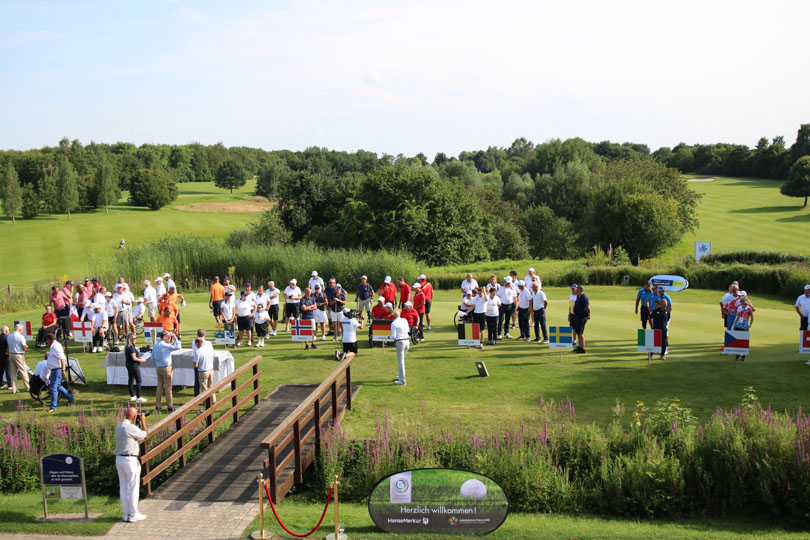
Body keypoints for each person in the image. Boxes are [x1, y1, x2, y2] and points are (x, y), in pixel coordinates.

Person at [115, 407, 147, 523]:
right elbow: (144, 435)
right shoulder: (130, 427)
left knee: (123, 487)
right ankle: (133, 514)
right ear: (134, 417)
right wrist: (143, 422)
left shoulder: (119, 426)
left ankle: (126, 513)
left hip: (119, 459)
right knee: (133, 487)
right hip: (129, 460)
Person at [45, 332, 75, 412]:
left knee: (53, 388)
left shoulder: (56, 347)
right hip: (54, 370)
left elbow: (62, 358)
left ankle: (53, 407)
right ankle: (71, 399)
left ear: (49, 340)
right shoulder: (54, 346)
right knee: (58, 387)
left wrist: (63, 369)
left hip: (57, 370)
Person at [153, 330, 181, 413]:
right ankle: (170, 405)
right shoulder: (164, 345)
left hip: (158, 367)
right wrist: (175, 338)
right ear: (164, 337)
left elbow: (152, 357)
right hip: (166, 368)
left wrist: (156, 364)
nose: (169, 339)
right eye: (168, 337)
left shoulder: (156, 345)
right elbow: (178, 347)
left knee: (160, 386)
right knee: (168, 387)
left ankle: (158, 405)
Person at [6, 324, 29, 394]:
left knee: (13, 372)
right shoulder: (21, 337)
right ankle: (28, 387)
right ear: (20, 330)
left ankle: (14, 389)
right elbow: (24, 347)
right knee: (23, 371)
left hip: (11, 354)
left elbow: (9, 346)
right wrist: (26, 347)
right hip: (18, 355)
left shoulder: (9, 336)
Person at [389, 310, 410, 386]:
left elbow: (393, 336)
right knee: (401, 361)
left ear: (394, 315)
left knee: (401, 362)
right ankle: (400, 376)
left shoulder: (393, 323)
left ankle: (402, 381)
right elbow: (408, 330)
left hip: (400, 342)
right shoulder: (404, 320)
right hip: (407, 342)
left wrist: (388, 337)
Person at [125, 333, 147, 403]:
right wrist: (142, 360)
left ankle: (132, 395)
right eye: (134, 338)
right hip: (133, 365)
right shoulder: (131, 347)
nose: (135, 340)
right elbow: (134, 358)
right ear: (131, 339)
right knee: (138, 380)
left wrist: (138, 358)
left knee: (131, 379)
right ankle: (138, 396)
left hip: (129, 364)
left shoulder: (127, 346)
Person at [193, 337, 216, 402]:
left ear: (197, 343)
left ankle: (207, 406)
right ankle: (213, 401)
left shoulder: (197, 352)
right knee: (210, 387)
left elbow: (195, 365)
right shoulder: (209, 349)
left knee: (204, 390)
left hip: (203, 372)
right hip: (211, 370)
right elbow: (213, 358)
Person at [572, 285, 590, 353]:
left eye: (577, 290)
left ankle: (583, 348)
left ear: (580, 291)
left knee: (580, 333)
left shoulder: (584, 298)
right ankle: (579, 346)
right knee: (577, 331)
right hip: (577, 316)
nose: (576, 291)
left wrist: (588, 315)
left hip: (582, 317)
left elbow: (588, 308)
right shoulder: (578, 296)